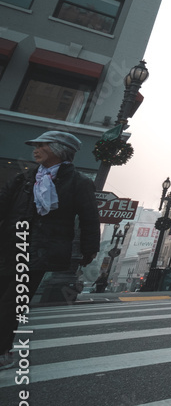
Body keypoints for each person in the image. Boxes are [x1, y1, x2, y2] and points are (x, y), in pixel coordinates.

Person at [1, 131, 99, 370]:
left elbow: (89, 218)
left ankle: (2, 351)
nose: (35, 150)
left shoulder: (79, 182)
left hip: (41, 250)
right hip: (8, 246)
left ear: (58, 150)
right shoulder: (24, 178)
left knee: (12, 301)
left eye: (41, 146)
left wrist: (89, 249)